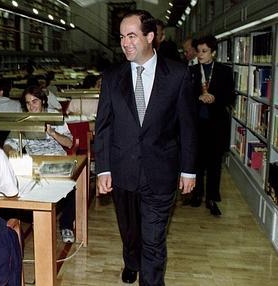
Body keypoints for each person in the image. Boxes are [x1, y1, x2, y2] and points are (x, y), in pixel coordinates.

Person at [95, 10, 197, 285]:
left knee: (153, 239)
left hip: (161, 171)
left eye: (132, 36)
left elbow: (187, 125)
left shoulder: (177, 75)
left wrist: (188, 170)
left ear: (150, 36)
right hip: (123, 170)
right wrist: (102, 169)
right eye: (121, 37)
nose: (125, 43)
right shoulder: (112, 77)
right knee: (130, 232)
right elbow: (103, 126)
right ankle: (131, 260)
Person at [3, 86, 76, 243]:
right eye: (28, 103)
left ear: (42, 101)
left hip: (57, 160)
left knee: (71, 189)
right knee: (19, 186)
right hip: (35, 164)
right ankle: (36, 220)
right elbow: (9, 144)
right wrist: (10, 151)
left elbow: (69, 143)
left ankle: (66, 225)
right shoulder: (23, 120)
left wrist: (53, 133)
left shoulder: (55, 117)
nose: (31, 106)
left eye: (35, 101)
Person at [189, 35, 235, 216]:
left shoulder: (224, 71)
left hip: (216, 124)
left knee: (214, 163)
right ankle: (196, 194)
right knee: (197, 162)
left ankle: (212, 198)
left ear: (213, 53)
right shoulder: (191, 71)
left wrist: (214, 98)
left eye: (204, 51)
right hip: (197, 123)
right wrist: (198, 98)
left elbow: (231, 97)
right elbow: (184, 97)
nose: (200, 54)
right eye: (198, 51)